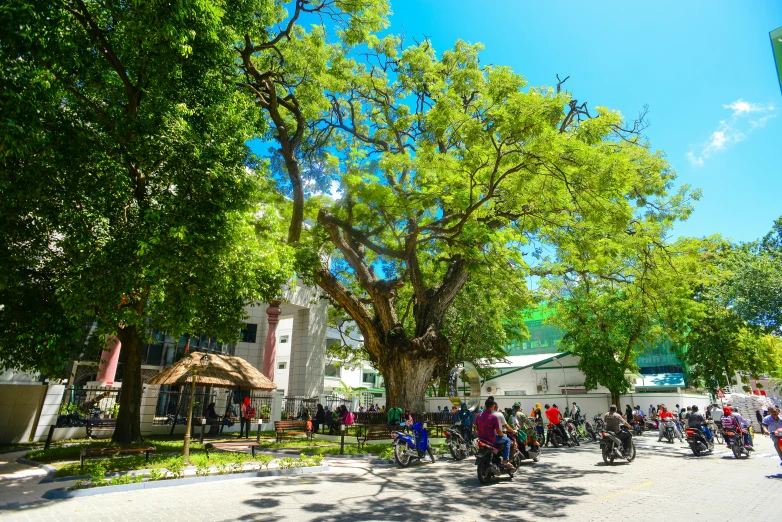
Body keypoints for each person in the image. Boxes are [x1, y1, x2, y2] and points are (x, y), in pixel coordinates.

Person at [476, 398, 515, 471]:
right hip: (491, 439)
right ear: (492, 406)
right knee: (507, 440)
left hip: (481, 438)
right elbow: (499, 432)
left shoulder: (479, 415)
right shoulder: (493, 417)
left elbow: (476, 427)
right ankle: (505, 461)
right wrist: (503, 435)